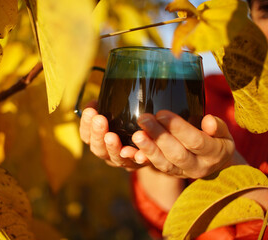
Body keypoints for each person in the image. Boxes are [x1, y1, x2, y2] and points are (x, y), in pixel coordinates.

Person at [79, 0, 268, 239]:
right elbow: (171, 224)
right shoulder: (212, 96)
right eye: (267, 11)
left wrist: (227, 174)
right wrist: (157, 162)